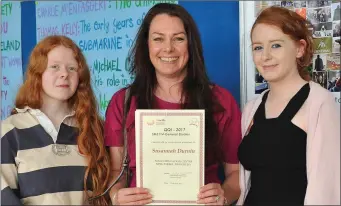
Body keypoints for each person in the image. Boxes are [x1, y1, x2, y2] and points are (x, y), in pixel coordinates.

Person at [104, 3, 242, 205]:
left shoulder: (220, 101)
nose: (168, 48)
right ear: (147, 45)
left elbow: (236, 173)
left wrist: (224, 195)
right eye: (158, 39)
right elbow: (117, 172)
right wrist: (116, 196)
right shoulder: (123, 102)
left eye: (178, 38)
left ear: (190, 45)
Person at [237, 6, 340, 205]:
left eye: (276, 45)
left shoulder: (319, 103)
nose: (265, 56)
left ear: (300, 49)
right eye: (258, 47)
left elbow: (328, 187)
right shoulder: (251, 109)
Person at [1, 35, 111, 205]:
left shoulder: (95, 129)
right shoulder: (10, 131)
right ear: (38, 73)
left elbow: (107, 193)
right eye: (54, 67)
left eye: (72, 68)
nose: (64, 74)